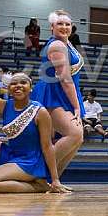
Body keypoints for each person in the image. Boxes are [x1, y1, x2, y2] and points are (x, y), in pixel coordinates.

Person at [31, 10, 85, 171]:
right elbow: (65, 79)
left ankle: (53, 179)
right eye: (60, 24)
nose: (64, 27)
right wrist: (76, 106)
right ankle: (37, 172)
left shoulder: (67, 43)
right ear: (52, 27)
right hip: (53, 94)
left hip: (64, 93)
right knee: (74, 133)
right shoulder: (56, 45)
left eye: (67, 24)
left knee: (78, 138)